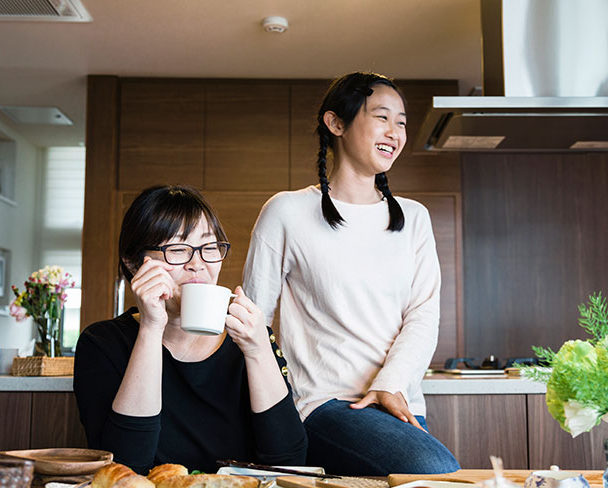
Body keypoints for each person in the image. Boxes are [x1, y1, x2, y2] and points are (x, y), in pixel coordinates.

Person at [242, 72, 460, 475]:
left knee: (429, 473)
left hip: (397, 401)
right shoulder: (286, 212)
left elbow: (424, 316)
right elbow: (251, 321)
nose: (395, 131)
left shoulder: (414, 218)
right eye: (382, 117)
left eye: (402, 121)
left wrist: (389, 383)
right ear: (336, 123)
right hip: (322, 405)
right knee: (436, 471)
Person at [74, 185, 307, 474]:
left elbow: (289, 463)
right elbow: (126, 468)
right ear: (134, 263)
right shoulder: (102, 344)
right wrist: (150, 328)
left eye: (209, 248)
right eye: (177, 250)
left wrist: (258, 350)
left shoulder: (250, 337)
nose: (198, 265)